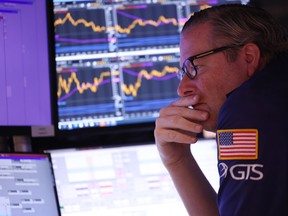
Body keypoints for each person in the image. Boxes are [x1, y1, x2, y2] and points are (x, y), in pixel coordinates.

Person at [154, 4, 288, 216]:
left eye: (194, 67)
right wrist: (177, 159)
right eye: (183, 72)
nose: (182, 89)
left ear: (248, 57)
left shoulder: (248, 108)